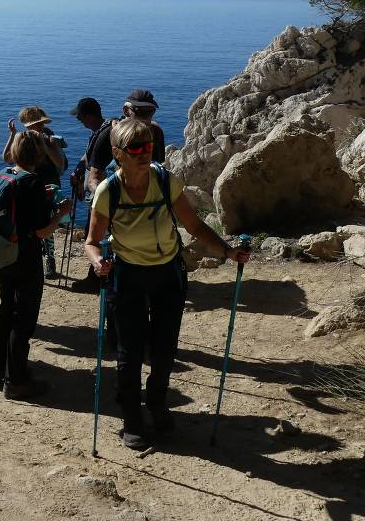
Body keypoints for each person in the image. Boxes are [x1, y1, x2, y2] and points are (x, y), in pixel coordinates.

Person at [84, 118, 250, 450]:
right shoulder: (108, 191)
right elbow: (91, 241)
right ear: (118, 153)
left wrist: (228, 251)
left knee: (164, 348)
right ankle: (132, 418)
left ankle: (158, 404)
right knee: (130, 352)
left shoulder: (164, 180)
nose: (145, 153)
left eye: (148, 146)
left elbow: (193, 224)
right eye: (136, 148)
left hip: (167, 273)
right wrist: (97, 261)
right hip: (127, 274)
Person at [0, 130, 73, 399]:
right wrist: (60, 214)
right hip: (25, 257)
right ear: (39, 155)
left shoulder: (2, 176)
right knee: (23, 318)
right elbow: (41, 231)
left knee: (6, 309)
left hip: (2, 254)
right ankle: (15, 381)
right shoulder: (33, 183)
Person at [71, 89, 166, 293]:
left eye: (149, 112)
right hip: (112, 201)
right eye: (139, 112)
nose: (145, 117)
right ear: (126, 110)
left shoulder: (155, 133)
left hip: (145, 200)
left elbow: (158, 168)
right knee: (98, 238)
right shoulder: (110, 133)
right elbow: (94, 176)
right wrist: (110, 203)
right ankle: (97, 278)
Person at [2, 106, 67, 279]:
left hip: (49, 185)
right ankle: (32, 256)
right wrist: (12, 135)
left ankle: (50, 258)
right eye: (34, 125)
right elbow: (7, 158)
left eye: (39, 124)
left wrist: (44, 145)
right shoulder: (23, 139)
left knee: (47, 222)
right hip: (29, 186)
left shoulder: (51, 140)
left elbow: (60, 166)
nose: (37, 128)